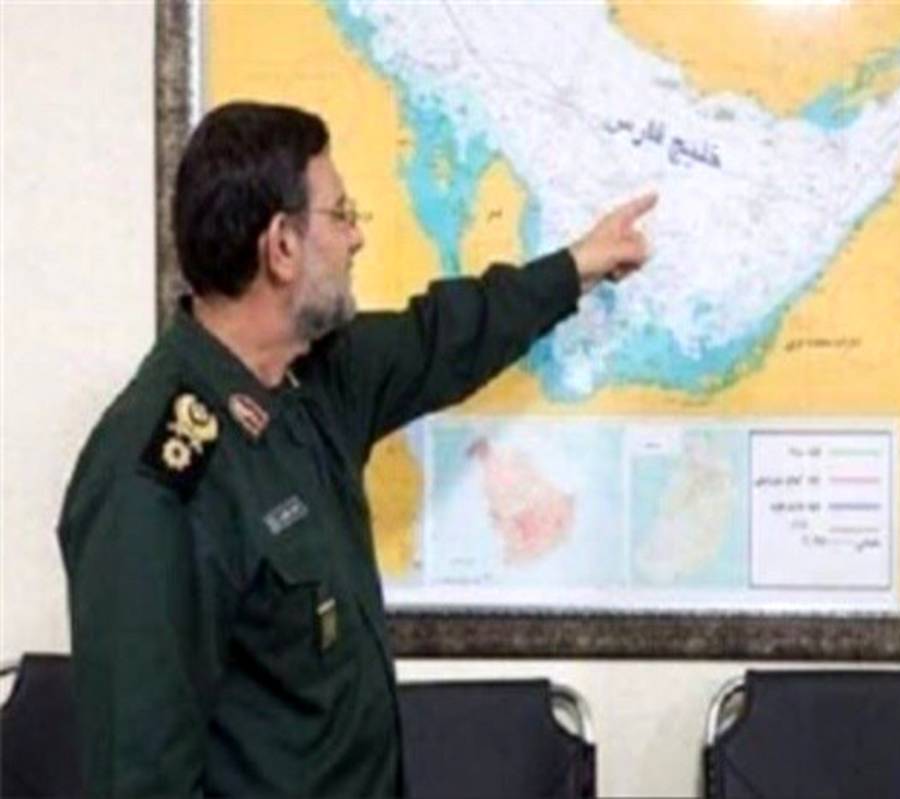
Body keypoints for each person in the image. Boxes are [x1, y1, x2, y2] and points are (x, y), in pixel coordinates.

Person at [57, 101, 655, 797]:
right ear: (281, 247)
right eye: (341, 215)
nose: (357, 237)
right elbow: (140, 778)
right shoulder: (153, 481)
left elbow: (441, 338)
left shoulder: (313, 375)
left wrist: (578, 267)